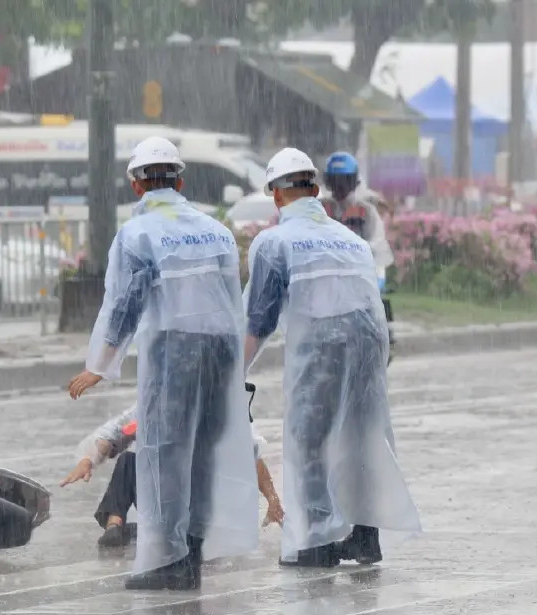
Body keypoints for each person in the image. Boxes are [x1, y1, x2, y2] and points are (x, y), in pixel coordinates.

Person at [67, 136, 259, 591]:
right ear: (182, 180)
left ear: (137, 186)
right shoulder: (216, 230)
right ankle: (191, 553)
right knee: (204, 454)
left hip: (174, 347)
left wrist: (101, 363)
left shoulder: (137, 234)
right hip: (220, 349)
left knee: (163, 453)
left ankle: (169, 559)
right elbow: (231, 301)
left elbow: (124, 303)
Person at [243, 147, 421, 568]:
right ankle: (364, 536)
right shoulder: (352, 239)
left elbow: (258, 320)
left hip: (324, 340)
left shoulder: (273, 242)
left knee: (310, 438)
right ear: (316, 189)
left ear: (275, 195)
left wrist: (235, 373)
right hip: (371, 340)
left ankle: (317, 541)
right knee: (361, 436)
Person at [61, 382, 284, 547]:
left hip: (202, 500)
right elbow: (115, 432)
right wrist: (87, 459)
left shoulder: (217, 408)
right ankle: (114, 525)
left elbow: (251, 453)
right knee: (128, 460)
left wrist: (273, 500)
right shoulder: (154, 402)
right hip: (163, 496)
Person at [321, 151, 397, 359]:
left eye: (345, 180)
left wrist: (356, 251)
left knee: (371, 299)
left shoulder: (366, 211)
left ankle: (381, 336)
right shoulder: (319, 209)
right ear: (328, 181)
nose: (340, 187)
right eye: (336, 181)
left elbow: (376, 241)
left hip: (363, 269)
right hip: (328, 271)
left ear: (353, 181)